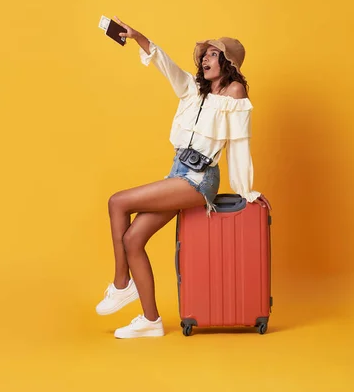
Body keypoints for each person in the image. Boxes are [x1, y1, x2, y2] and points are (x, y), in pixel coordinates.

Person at [95, 17, 272, 339]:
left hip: (199, 179)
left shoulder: (234, 92)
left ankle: (121, 284)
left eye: (213, 54)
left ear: (228, 61)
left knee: (117, 201)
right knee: (133, 239)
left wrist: (246, 190)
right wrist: (138, 38)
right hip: (177, 173)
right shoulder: (193, 92)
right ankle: (151, 321)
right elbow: (165, 64)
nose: (205, 58)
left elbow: (240, 144)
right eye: (204, 54)